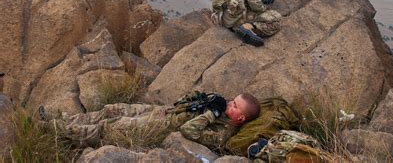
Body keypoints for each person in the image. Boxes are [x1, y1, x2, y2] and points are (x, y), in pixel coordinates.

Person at [50, 92, 260, 152]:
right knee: (112, 109)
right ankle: (65, 120)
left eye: (235, 106)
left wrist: (211, 114)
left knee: (108, 126)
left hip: (161, 126)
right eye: (232, 101)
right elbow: (180, 102)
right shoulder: (221, 109)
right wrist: (201, 98)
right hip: (163, 111)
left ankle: (56, 130)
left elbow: (189, 131)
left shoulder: (224, 132)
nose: (229, 104)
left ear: (240, 118)